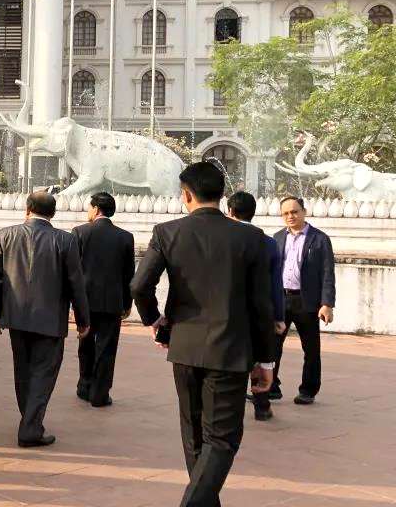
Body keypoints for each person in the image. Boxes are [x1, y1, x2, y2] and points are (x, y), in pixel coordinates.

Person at [132, 162, 276, 507]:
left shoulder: (167, 232)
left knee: (194, 433)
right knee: (222, 439)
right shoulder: (251, 237)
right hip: (230, 349)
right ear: (222, 194)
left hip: (184, 346)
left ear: (186, 194)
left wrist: (154, 320)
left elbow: (139, 286)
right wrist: (266, 360)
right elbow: (262, 304)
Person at [0, 191, 90, 448]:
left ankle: (29, 420)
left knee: (22, 370)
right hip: (50, 318)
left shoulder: (6, 234)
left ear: (27, 208)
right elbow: (76, 283)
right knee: (43, 374)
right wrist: (83, 319)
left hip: (17, 317)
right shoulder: (65, 240)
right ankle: (30, 427)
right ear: (53, 213)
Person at [226, 191, 287, 421]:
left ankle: (230, 408)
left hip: (228, 310)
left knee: (231, 357)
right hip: (260, 312)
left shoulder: (223, 239)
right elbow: (276, 283)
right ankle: (261, 405)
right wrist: (278, 316)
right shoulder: (269, 243)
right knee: (260, 357)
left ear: (230, 211)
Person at [71, 192, 135, 408]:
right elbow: (129, 274)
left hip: (85, 302)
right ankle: (100, 394)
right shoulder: (125, 237)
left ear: (96, 208)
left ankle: (84, 386)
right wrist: (127, 303)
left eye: (89, 207)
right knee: (107, 348)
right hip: (112, 302)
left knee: (85, 344)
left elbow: (73, 271)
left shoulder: (80, 232)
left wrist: (72, 301)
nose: (88, 211)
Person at [272, 196, 336, 406]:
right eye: (285, 213)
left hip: (307, 301)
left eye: (294, 211)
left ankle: (308, 390)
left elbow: (327, 273)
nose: (290, 216)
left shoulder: (319, 239)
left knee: (311, 349)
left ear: (304, 212)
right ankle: (271, 387)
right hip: (281, 300)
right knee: (272, 346)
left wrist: (327, 304)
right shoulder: (277, 238)